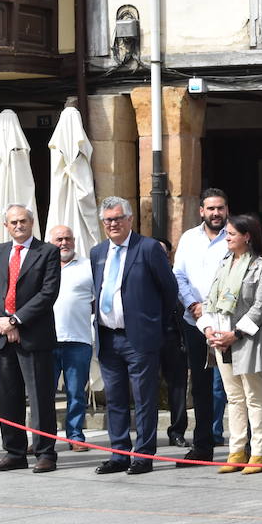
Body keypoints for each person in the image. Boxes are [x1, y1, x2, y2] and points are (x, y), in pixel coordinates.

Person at [90, 197, 181, 475]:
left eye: (118, 218)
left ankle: (143, 454)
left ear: (130, 219)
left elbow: (169, 290)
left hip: (139, 337)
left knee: (144, 398)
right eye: (108, 220)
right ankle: (118, 454)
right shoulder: (98, 252)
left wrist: (155, 323)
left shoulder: (149, 248)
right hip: (107, 337)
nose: (113, 224)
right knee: (115, 399)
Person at [0, 205, 61, 473]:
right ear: (6, 226)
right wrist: (3, 323)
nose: (19, 226)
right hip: (2, 336)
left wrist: (16, 320)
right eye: (13, 222)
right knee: (8, 397)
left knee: (40, 397)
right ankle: (14, 451)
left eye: (23, 221)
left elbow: (48, 293)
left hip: (34, 336)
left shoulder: (48, 252)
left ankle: (45, 453)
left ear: (32, 223)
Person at [198, 214, 262, 475]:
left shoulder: (261, 266)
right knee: (233, 397)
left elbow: (261, 307)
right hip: (220, 339)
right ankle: (236, 450)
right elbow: (210, 300)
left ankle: (259, 452)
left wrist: (236, 333)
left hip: (247, 339)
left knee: (254, 396)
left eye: (231, 233)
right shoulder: (224, 264)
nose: (227, 237)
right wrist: (209, 328)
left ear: (247, 236)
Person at [173, 189, 231, 462]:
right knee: (201, 386)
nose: (216, 213)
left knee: (238, 386)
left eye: (220, 208)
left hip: (228, 322)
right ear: (201, 211)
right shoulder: (188, 238)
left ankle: (247, 447)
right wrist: (194, 306)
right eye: (211, 209)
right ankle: (203, 446)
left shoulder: (234, 236)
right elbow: (179, 276)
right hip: (194, 321)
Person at [48, 223, 94, 451]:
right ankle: (43, 438)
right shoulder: (42, 265)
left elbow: (99, 300)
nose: (64, 243)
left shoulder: (88, 266)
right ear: (51, 242)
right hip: (45, 341)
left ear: (74, 241)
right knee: (43, 394)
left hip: (78, 339)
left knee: (76, 393)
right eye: (59, 239)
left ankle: (75, 436)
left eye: (68, 238)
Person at [155, 238, 189, 449]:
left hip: (173, 336)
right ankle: (146, 434)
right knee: (147, 388)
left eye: (162, 253)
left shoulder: (177, 275)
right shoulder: (140, 274)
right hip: (148, 338)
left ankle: (177, 431)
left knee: (177, 388)